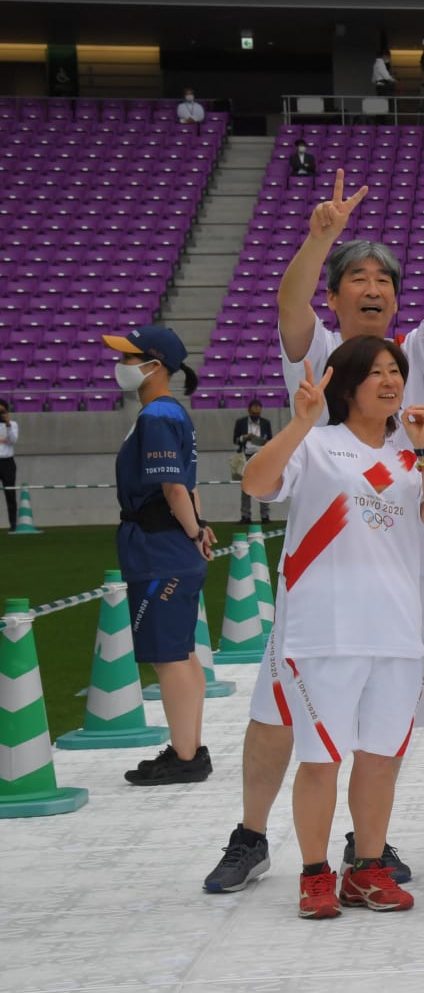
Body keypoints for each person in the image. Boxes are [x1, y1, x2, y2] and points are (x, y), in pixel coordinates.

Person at [201, 170, 424, 895]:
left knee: (386, 716)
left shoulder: (414, 358)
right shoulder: (316, 351)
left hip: (400, 568)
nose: (373, 287)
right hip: (321, 569)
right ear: (336, 294)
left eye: (384, 279)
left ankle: (366, 847)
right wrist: (320, 236)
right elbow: (288, 301)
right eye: (358, 277)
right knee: (279, 710)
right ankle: (252, 836)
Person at [240, 338, 424, 919]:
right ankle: (315, 875)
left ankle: (366, 870)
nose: (390, 382)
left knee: (379, 758)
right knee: (321, 759)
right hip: (325, 632)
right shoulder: (316, 444)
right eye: (376, 372)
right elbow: (255, 483)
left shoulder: (410, 458)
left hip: (396, 631)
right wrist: (298, 423)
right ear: (348, 384)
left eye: (396, 372)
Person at [107, 325, 214, 786]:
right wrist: (198, 529)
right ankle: (188, 748)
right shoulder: (170, 413)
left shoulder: (156, 416)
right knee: (181, 654)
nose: (121, 366)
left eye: (129, 358)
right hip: (172, 547)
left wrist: (194, 531)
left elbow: (173, 486)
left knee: (169, 658)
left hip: (159, 549)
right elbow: (188, 484)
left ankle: (186, 756)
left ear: (155, 365)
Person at [232, 399, 274, 524]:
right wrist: (243, 437)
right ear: (249, 410)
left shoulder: (266, 423)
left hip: (261, 456)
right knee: (245, 487)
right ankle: (245, 516)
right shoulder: (241, 422)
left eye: (258, 410)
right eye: (254, 410)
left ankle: (265, 516)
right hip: (246, 456)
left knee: (264, 486)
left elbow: (270, 440)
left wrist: (264, 441)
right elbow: (235, 440)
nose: (256, 412)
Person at [0, 398, 17, 530]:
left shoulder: (13, 424)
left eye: (2, 411)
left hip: (7, 462)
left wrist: (7, 425)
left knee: (10, 494)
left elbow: (13, 440)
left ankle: (13, 524)